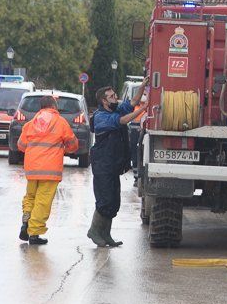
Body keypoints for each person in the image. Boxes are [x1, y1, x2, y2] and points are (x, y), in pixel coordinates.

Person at [87, 80, 148, 247]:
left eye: (115, 95)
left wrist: (143, 86)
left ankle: (106, 235)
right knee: (105, 200)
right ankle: (94, 231)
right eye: (112, 96)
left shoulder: (115, 109)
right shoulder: (101, 117)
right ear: (104, 101)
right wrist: (143, 109)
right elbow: (122, 120)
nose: (116, 98)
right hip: (103, 165)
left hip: (113, 164)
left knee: (114, 201)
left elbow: (133, 102)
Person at [17, 96, 79, 245]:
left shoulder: (31, 123)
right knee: (43, 201)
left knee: (30, 196)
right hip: (50, 170)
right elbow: (72, 143)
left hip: (32, 169)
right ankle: (34, 233)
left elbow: (21, 145)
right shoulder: (60, 122)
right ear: (54, 106)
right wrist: (67, 149)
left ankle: (27, 218)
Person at [129, 94, 147, 186]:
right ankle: (137, 178)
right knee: (136, 155)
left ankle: (138, 178)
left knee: (137, 155)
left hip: (138, 134)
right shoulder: (138, 109)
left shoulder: (139, 109)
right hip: (136, 135)